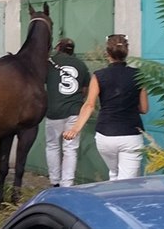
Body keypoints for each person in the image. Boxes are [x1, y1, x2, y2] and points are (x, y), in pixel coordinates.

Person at [63, 34, 149, 181]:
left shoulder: (98, 76)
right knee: (126, 182)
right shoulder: (139, 75)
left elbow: (89, 105)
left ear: (107, 53)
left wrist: (75, 129)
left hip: (105, 136)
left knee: (114, 173)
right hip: (130, 135)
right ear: (126, 52)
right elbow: (144, 109)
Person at [45, 38, 90, 187]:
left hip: (54, 112)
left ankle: (54, 182)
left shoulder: (49, 62)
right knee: (70, 149)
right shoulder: (81, 65)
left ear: (58, 47)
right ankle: (67, 183)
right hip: (74, 112)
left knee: (52, 146)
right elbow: (85, 91)